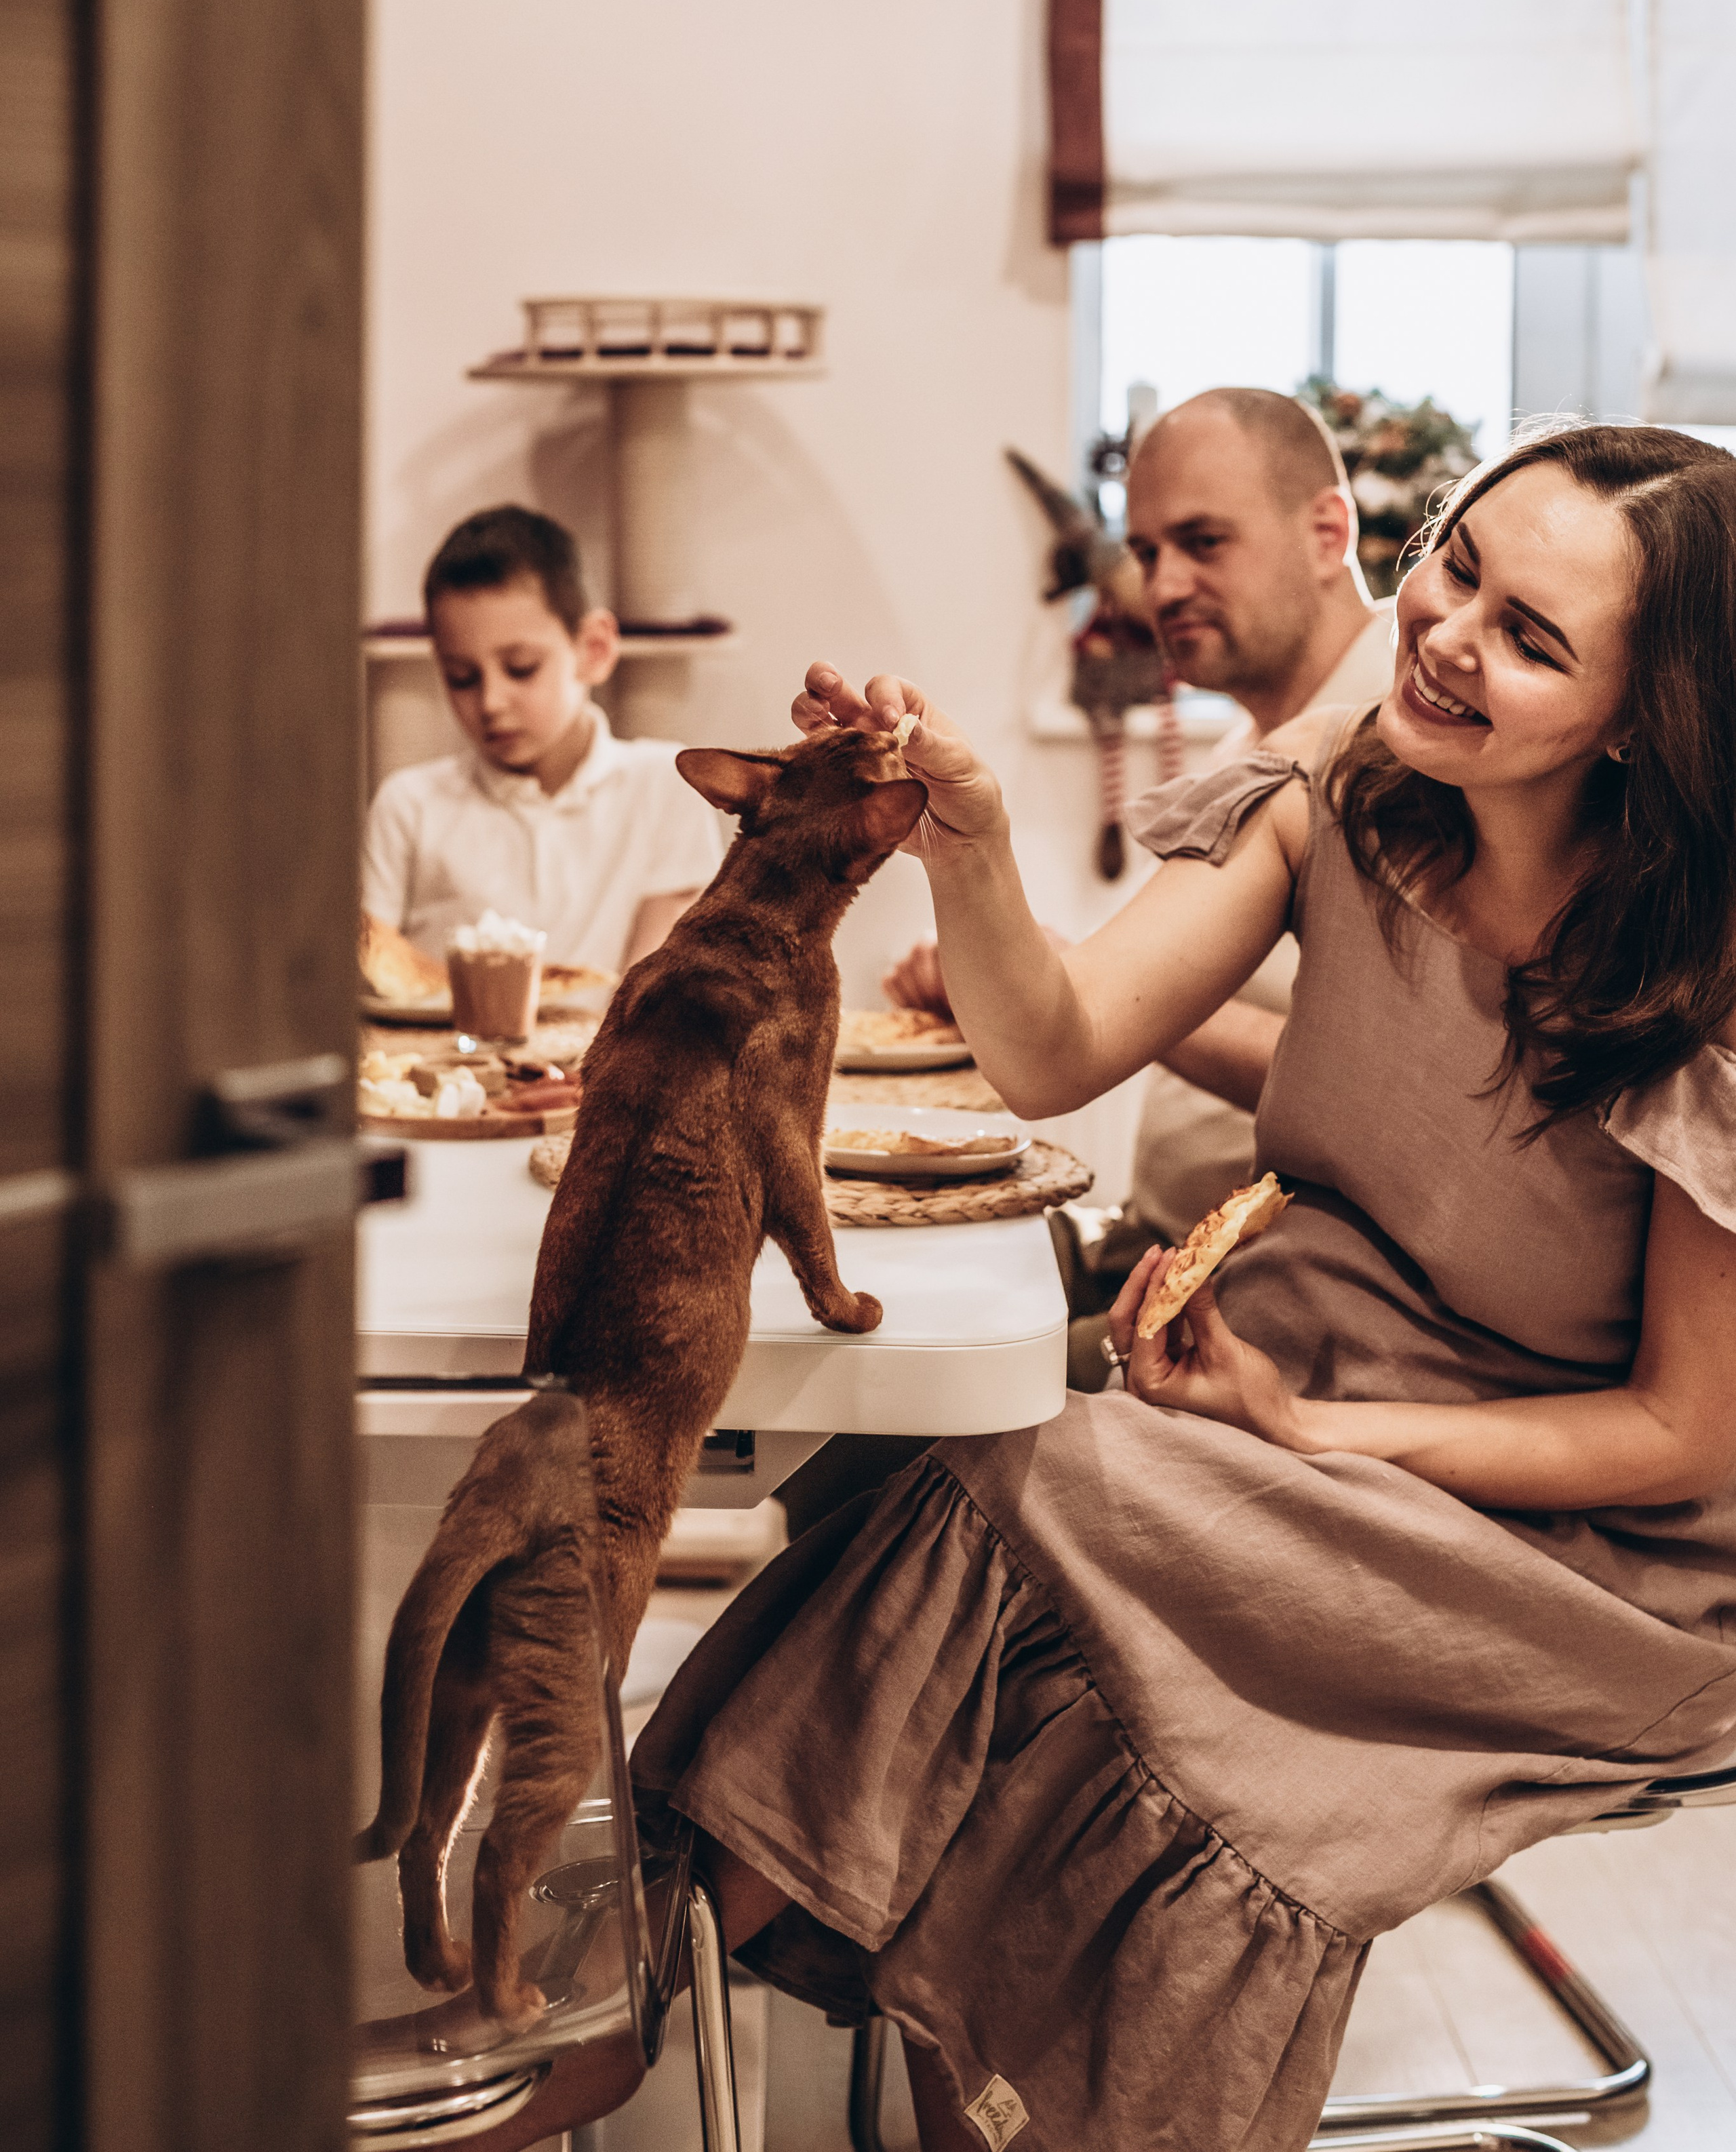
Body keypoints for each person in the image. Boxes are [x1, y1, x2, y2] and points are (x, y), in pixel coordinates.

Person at [619, 425, 1736, 2152]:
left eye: (1532, 636)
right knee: (950, 1464)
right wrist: (967, 832)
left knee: (1026, 1482)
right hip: (1296, 1396)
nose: (1444, 637)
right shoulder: (1332, 806)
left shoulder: (1691, 979)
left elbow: (1678, 1435)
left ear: (1635, 716)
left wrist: (1313, 1426)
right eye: (1453, 565)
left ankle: (650, 1957)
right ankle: (711, 1981)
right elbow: (1053, 1044)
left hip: (1585, 1555)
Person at [888, 387, 1395, 1286]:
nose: (1161, 587)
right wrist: (1000, 966)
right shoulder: (1250, 746)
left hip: (1285, 1284)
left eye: (1204, 543)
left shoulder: (1397, 743)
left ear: (1329, 531)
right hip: (1157, 1241)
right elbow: (1066, 1041)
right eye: (1146, 551)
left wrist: (1106, 993)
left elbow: (1404, 1089)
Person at [361, 506, 724, 974]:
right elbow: (368, 978)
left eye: (521, 668)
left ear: (594, 650)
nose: (491, 701)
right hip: (439, 1050)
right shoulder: (409, 805)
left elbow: (652, 993)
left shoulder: (666, 784)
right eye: (461, 677)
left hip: (604, 1047)